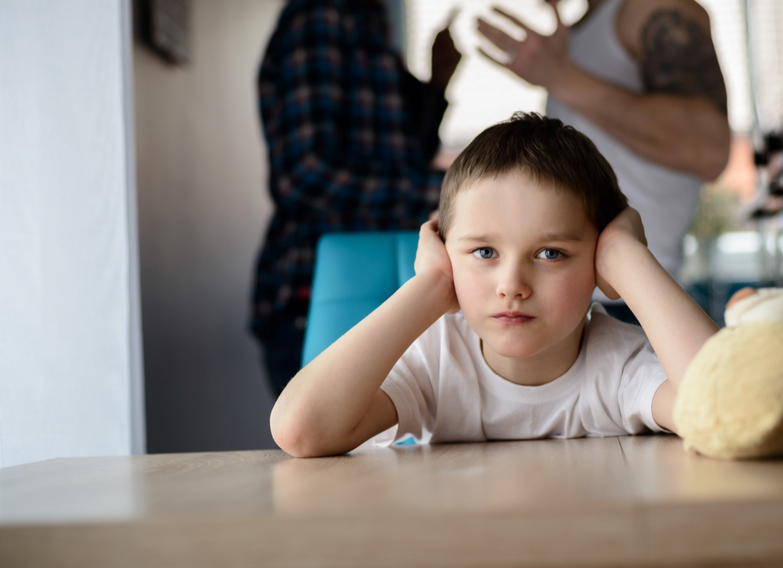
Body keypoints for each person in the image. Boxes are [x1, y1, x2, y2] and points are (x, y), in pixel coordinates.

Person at [270, 113, 718, 457]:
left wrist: (627, 259)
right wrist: (430, 285)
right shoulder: (436, 362)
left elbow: (728, 405)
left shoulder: (620, 366)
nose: (512, 286)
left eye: (550, 253)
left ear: (598, 265)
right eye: (484, 253)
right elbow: (301, 430)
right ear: (447, 252)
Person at [476, 0, 731, 324]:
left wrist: (562, 77)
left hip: (635, 313)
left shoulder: (655, 4)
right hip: (581, 310)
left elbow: (710, 148)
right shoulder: (584, 23)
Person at [251, 0, 462, 397]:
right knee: (332, 473)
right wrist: (451, 193)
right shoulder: (321, 16)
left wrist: (437, 84)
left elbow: (394, 161)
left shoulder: (364, 23)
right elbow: (308, 176)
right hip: (315, 289)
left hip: (364, 277)